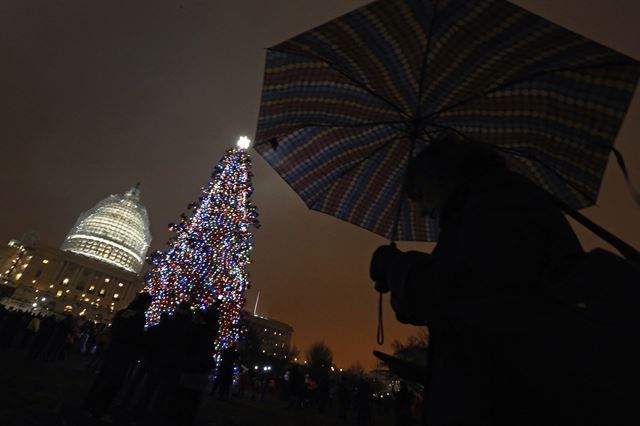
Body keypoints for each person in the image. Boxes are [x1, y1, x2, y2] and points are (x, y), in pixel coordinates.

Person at [369, 136, 633, 424]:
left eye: (418, 193)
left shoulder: (495, 205)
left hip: (514, 400)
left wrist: (396, 267)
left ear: (440, 175)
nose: (420, 209)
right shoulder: (489, 206)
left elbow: (459, 290)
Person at [85, 292, 152, 419]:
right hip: (124, 353)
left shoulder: (123, 312)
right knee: (114, 382)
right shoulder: (139, 316)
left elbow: (114, 328)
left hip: (113, 349)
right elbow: (135, 335)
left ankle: (89, 403)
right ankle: (100, 409)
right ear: (145, 303)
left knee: (103, 377)